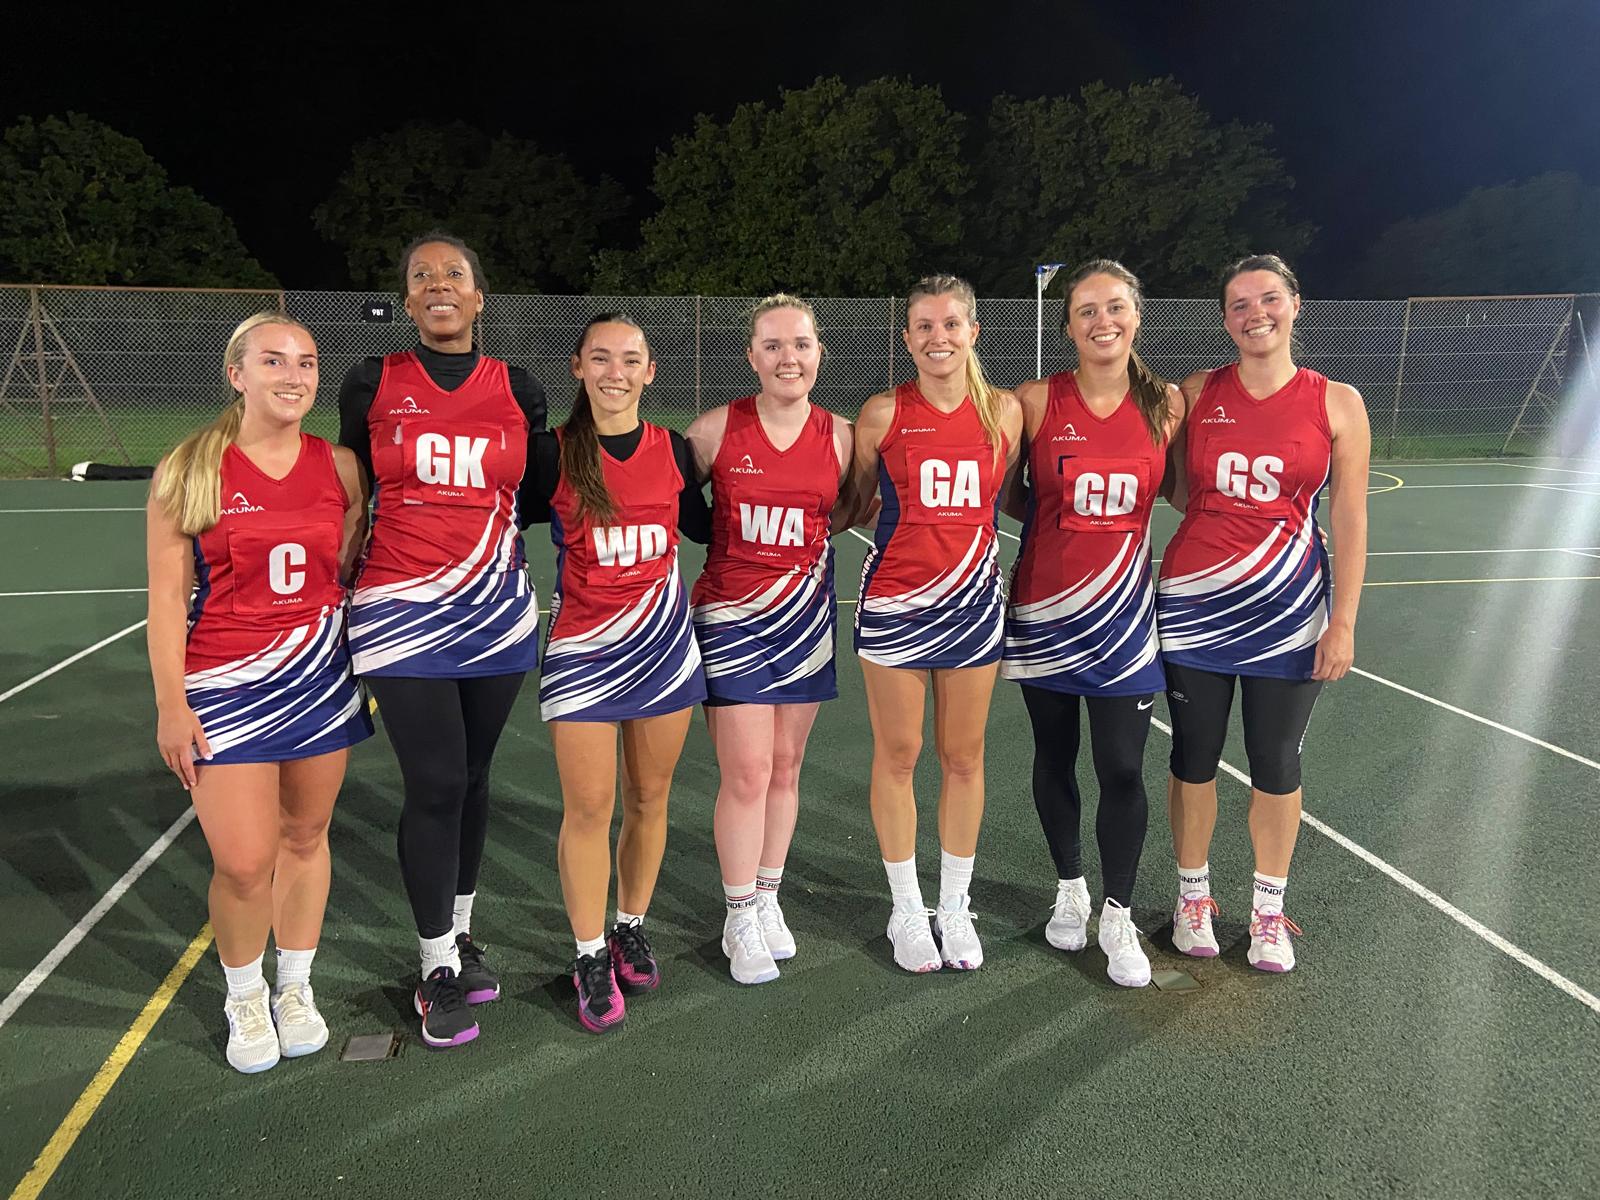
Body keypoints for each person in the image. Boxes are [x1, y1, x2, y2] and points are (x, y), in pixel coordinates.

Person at [146, 312, 371, 1074]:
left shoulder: (340, 467)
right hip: (224, 686)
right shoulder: (190, 468)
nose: (293, 375)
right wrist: (171, 706)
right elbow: (166, 600)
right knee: (244, 862)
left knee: (305, 838)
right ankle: (244, 995)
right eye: (273, 360)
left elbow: (346, 568)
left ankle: (294, 987)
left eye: (306, 362)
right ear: (236, 374)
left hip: (317, 680)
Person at [338, 232, 546, 1048]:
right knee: (433, 782)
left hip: (495, 610)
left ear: (479, 296)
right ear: (408, 299)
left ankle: (460, 934)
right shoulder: (372, 380)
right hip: (400, 609)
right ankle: (434, 968)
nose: (437, 285)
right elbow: (351, 492)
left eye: (453, 273)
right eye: (421, 275)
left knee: (474, 776)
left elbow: (533, 496)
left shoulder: (519, 387)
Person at [1157, 253, 1370, 972]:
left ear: (1295, 305)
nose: (1256, 314)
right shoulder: (1198, 392)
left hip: (1289, 612)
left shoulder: (1337, 402)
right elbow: (1172, 484)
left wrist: (1343, 621)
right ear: (1225, 319)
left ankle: (1268, 910)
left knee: (1276, 760)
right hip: (1195, 606)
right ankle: (1193, 898)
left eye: (1269, 299)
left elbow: (1349, 518)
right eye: (1241, 304)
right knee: (1192, 756)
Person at [1002, 260, 1184, 988]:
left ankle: (1118, 912)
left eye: (1114, 307)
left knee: (1122, 766)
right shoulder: (1036, 401)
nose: (1102, 321)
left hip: (1125, 619)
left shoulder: (1167, 404)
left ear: (1137, 315)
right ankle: (1070, 888)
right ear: (1069, 326)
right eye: (1086, 310)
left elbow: (1184, 489)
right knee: (1054, 755)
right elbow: (1009, 494)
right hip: (1044, 611)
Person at [529, 313, 710, 1031]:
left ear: (650, 371)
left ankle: (629, 925)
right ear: (578, 367)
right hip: (582, 654)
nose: (615, 372)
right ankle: (587, 953)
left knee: (649, 798)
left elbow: (708, 527)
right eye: (600, 358)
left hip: (663, 650)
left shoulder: (673, 449)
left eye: (630, 359)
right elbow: (494, 519)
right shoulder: (552, 453)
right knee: (588, 808)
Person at [848, 274, 1023, 973]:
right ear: (907, 337)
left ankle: (954, 905)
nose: (938, 337)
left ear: (973, 331)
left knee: (964, 756)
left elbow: (1008, 495)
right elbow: (857, 501)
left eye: (951, 324)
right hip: (895, 603)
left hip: (974, 604)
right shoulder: (883, 412)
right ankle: (905, 909)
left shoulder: (1005, 412)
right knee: (899, 754)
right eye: (923, 325)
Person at [686, 295, 854, 985]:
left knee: (786, 767)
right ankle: (736, 914)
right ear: (752, 356)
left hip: (806, 621)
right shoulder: (716, 429)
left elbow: (851, 508)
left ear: (819, 354)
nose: (789, 358)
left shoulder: (842, 436)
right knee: (748, 773)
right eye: (774, 345)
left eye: (801, 345)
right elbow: (673, 504)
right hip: (732, 620)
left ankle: (766, 896)